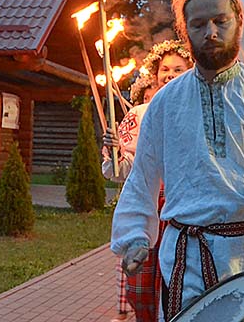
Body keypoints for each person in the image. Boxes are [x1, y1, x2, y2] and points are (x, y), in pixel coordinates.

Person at [110, 0, 244, 321]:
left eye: (221, 21)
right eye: (199, 24)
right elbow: (142, 177)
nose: (211, 32)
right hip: (186, 259)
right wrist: (134, 237)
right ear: (185, 31)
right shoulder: (164, 102)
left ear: (239, 22)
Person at [103, 40, 194, 322]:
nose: (170, 75)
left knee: (181, 285)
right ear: (155, 73)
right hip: (151, 205)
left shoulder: (200, 112)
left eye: (178, 69)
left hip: (187, 210)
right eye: (165, 69)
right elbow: (123, 171)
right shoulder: (140, 114)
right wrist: (117, 154)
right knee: (142, 288)